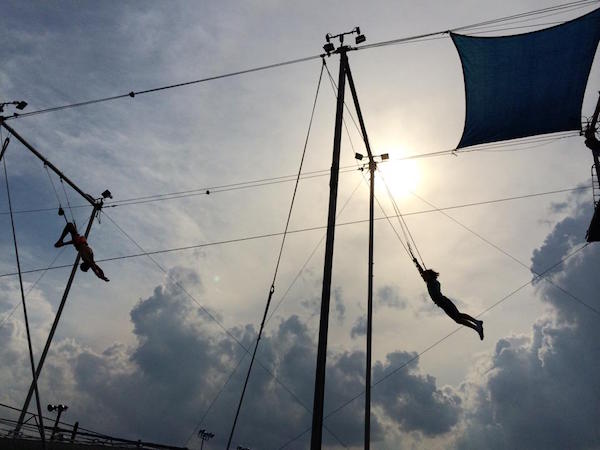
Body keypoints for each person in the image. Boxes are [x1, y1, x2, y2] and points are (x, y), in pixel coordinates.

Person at [413, 257, 483, 340]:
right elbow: (422, 272)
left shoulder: (431, 282)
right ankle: (477, 325)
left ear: (428, 276)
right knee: (458, 318)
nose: (422, 277)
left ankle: (477, 324)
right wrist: (417, 263)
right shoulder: (430, 281)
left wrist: (418, 264)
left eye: (424, 276)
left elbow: (423, 272)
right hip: (443, 302)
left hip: (443, 302)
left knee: (458, 317)